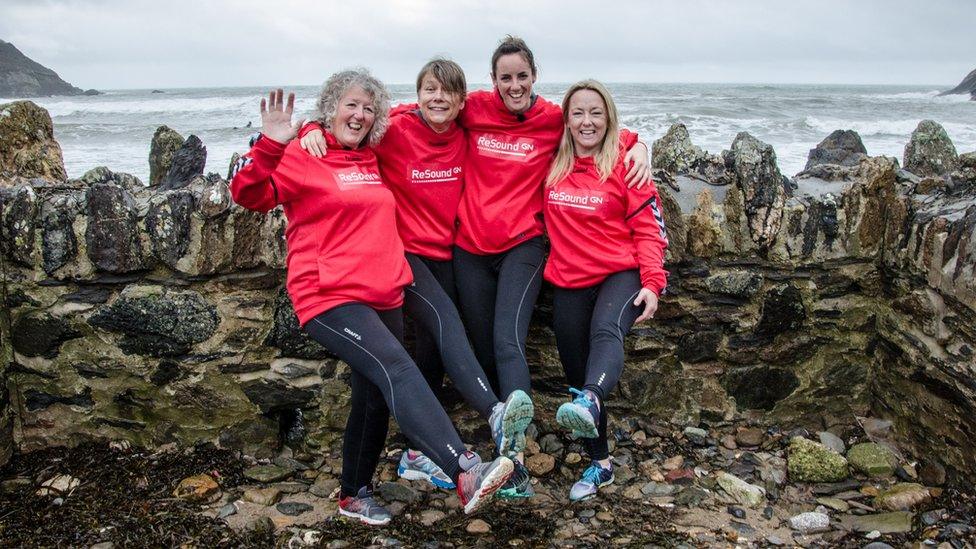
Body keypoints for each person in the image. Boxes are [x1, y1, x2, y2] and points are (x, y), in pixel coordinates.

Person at [229, 70, 513, 525]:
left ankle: (354, 493)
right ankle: (464, 468)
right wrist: (275, 143)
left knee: (375, 396)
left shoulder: (368, 158)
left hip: (382, 292)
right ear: (330, 109)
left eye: (367, 108)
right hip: (328, 295)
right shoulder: (305, 154)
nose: (359, 115)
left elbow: (419, 117)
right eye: (350, 105)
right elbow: (249, 195)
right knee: (398, 367)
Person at [298, 59, 535, 490]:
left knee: (429, 351)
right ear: (419, 93)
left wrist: (636, 145)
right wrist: (306, 128)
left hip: (448, 253)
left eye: (447, 92)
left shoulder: (468, 131)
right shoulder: (396, 129)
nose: (437, 98)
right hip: (404, 257)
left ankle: (414, 453)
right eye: (429, 90)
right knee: (446, 324)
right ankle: (494, 412)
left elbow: (531, 115)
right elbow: (345, 125)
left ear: (463, 101)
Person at [453, 35, 652, 498]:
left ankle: (516, 461)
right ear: (494, 80)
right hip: (472, 246)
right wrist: (311, 130)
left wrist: (639, 144)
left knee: (509, 341)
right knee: (483, 345)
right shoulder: (474, 108)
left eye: (523, 76)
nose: (515, 85)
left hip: (525, 244)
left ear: (534, 77)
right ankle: (512, 451)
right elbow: (421, 114)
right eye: (506, 77)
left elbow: (598, 127)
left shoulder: (550, 118)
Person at [543, 80, 668, 501]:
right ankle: (601, 464)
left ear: (609, 117)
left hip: (620, 272)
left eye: (596, 112)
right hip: (568, 276)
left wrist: (652, 282)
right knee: (576, 373)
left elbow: (649, 229)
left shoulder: (625, 164)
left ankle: (594, 399)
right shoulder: (553, 160)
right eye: (578, 113)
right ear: (566, 119)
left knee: (605, 335)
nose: (586, 121)